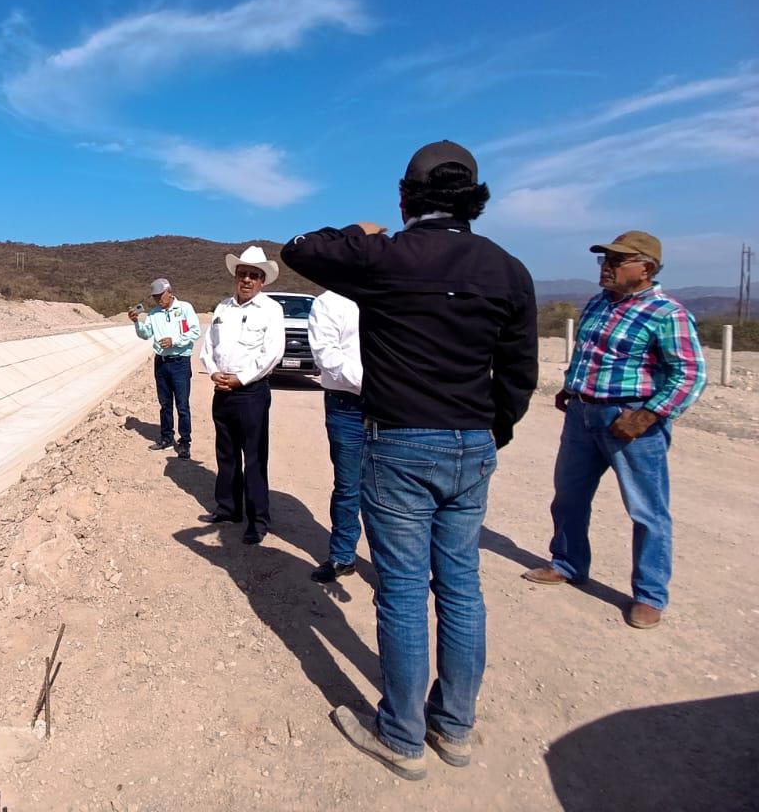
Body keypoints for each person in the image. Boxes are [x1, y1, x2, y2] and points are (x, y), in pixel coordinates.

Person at [282, 140, 537, 781]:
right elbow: (518, 374)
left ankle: (401, 734)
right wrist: (490, 432)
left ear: (406, 196)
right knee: (460, 588)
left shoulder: (385, 256)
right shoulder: (509, 270)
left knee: (400, 592)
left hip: (398, 442)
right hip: (471, 444)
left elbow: (300, 248)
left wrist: (362, 230)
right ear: (473, 197)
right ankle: (453, 727)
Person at [523, 231, 705, 630]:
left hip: (630, 422)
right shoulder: (599, 304)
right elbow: (592, 354)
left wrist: (649, 414)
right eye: (604, 259)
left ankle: (649, 595)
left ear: (646, 268)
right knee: (568, 497)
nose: (606, 267)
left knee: (647, 511)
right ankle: (568, 564)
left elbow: (690, 374)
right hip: (583, 415)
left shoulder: (665, 313)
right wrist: (570, 387)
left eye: (617, 260)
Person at [199, 246, 285, 545]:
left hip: (251, 393)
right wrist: (213, 372)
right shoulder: (222, 308)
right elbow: (208, 348)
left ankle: (258, 520)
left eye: (253, 275)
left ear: (262, 281)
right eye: (242, 274)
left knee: (255, 457)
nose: (246, 279)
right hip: (221, 390)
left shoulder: (271, 310)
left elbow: (272, 354)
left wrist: (240, 379)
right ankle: (228, 508)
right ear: (235, 276)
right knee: (226, 454)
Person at [306, 289, 365, 584]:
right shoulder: (329, 301)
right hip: (347, 405)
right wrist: (378, 381)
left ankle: (392, 566)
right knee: (347, 485)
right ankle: (343, 555)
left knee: (392, 490)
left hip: (393, 404)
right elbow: (327, 356)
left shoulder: (391, 289)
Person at [128, 278, 200, 459]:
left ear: (170, 292)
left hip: (180, 363)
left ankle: (184, 442)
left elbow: (195, 331)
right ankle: (167, 438)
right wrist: (137, 322)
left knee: (182, 405)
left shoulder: (185, 309)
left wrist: (174, 341)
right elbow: (145, 335)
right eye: (155, 297)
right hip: (161, 362)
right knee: (165, 404)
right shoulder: (153, 314)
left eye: (161, 295)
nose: (159, 299)